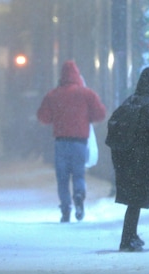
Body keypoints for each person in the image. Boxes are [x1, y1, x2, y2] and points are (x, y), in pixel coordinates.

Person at [37, 60, 106, 223]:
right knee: (78, 174)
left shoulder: (53, 95)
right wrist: (86, 118)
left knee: (62, 177)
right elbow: (100, 114)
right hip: (80, 142)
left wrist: (57, 117)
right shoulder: (87, 94)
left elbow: (43, 117)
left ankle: (66, 209)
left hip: (61, 141)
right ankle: (79, 196)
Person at [107, 66, 149, 252]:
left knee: (134, 198)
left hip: (124, 156)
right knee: (136, 199)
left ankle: (131, 235)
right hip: (139, 156)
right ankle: (127, 239)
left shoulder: (130, 101)